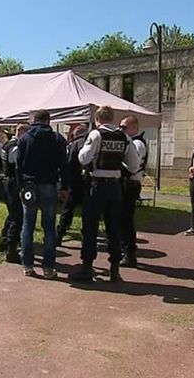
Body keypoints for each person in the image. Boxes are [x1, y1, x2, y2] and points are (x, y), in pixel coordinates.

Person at [69, 106, 140, 283]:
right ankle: (115, 269)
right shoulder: (124, 136)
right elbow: (133, 165)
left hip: (96, 187)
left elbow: (83, 158)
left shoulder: (96, 134)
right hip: (115, 188)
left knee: (90, 228)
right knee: (113, 229)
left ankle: (87, 268)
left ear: (97, 119)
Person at [17, 110, 69, 278]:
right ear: (49, 120)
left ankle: (28, 265)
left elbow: (18, 164)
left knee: (28, 226)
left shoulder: (24, 138)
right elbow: (63, 164)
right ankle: (48, 267)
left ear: (34, 120)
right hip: (49, 184)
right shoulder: (58, 139)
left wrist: (21, 185)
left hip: (29, 185)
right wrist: (64, 187)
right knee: (49, 227)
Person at [0, 123, 30, 263]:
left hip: (7, 180)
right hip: (14, 183)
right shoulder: (16, 147)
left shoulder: (7, 144)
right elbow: (18, 164)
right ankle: (11, 250)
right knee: (17, 216)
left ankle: (4, 241)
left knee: (12, 213)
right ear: (23, 132)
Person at [119, 116, 147, 267]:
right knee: (123, 219)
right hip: (128, 183)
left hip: (131, 183)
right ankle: (126, 251)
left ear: (134, 128)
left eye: (125, 127)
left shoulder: (136, 143)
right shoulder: (131, 142)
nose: (121, 129)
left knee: (126, 220)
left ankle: (129, 253)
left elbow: (133, 166)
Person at [55, 123, 88, 247]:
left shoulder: (73, 145)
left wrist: (65, 184)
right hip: (88, 182)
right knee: (87, 212)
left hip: (74, 182)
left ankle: (59, 235)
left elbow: (67, 164)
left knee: (68, 210)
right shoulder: (89, 143)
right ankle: (87, 237)